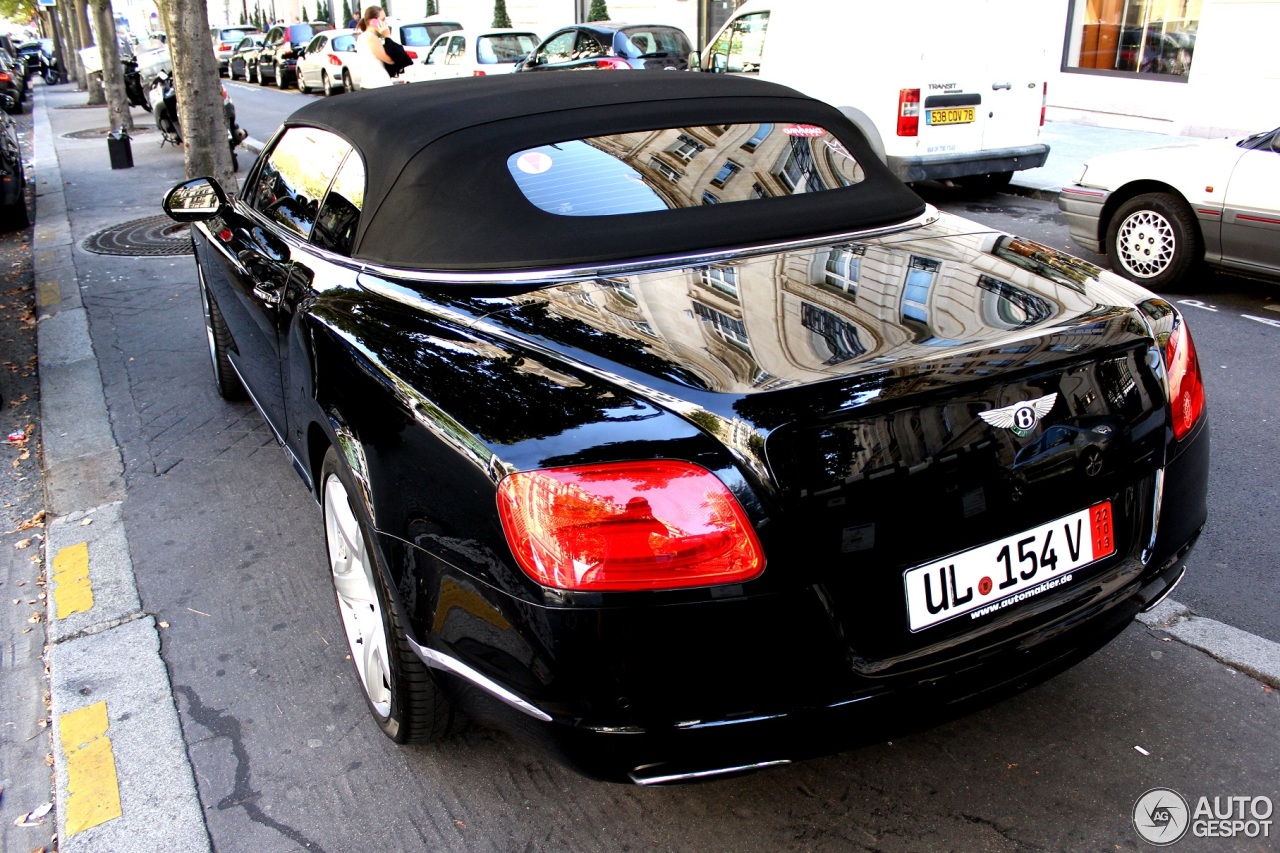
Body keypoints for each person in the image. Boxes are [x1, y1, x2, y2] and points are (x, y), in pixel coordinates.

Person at [353, 6, 393, 89]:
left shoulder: (363, 36)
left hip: (369, 82)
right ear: (373, 21)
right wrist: (387, 36)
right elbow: (390, 60)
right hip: (378, 83)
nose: (385, 23)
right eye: (382, 19)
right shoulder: (371, 37)